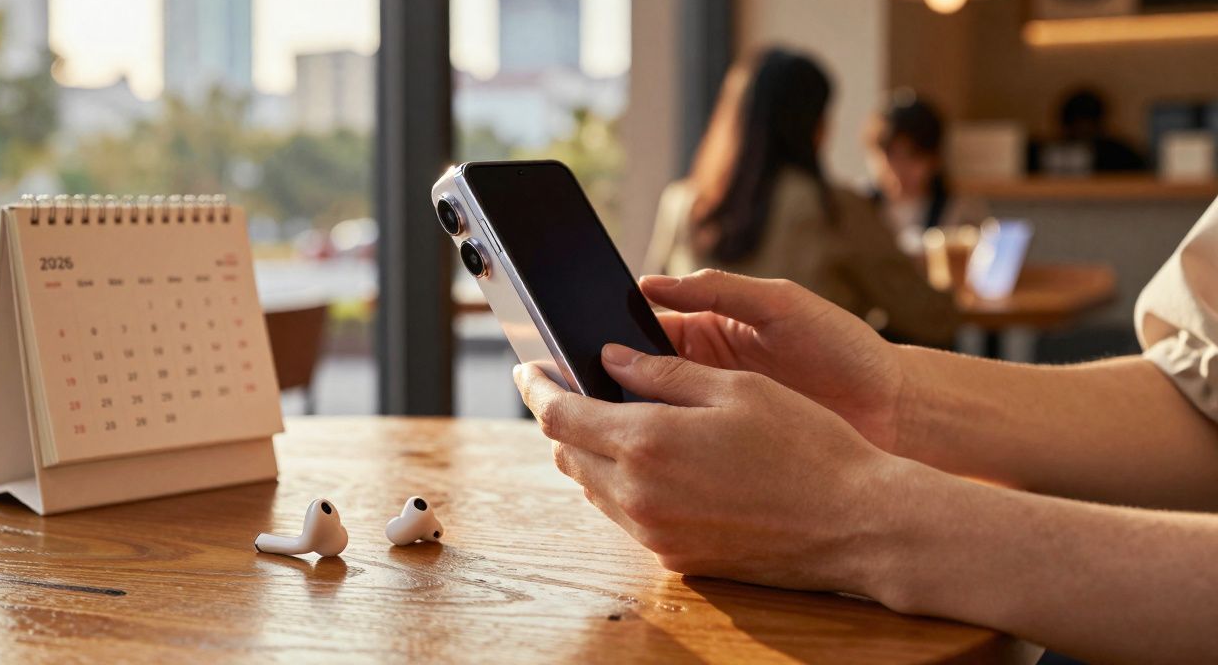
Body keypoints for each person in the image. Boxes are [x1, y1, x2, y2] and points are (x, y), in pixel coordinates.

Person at [513, 195, 1218, 663]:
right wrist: (894, 400)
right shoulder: (839, 205)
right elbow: (1200, 391)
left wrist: (860, 519)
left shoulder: (691, 195)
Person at [643, 48, 957, 347]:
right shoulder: (835, 209)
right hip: (807, 387)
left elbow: (652, 309)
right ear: (816, 125)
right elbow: (932, 318)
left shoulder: (682, 204)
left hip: (701, 382)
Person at [865, 90, 986, 253]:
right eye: (891, 155)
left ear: (934, 159)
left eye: (913, 156)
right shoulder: (856, 208)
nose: (901, 167)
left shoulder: (960, 212)